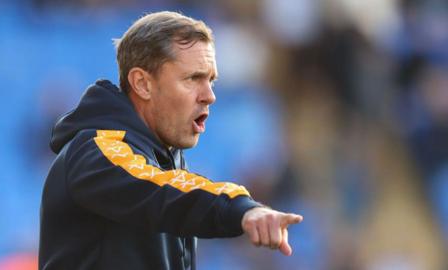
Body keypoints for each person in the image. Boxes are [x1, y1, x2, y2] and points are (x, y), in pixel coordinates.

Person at [39, 11, 303, 270]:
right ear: (142, 84)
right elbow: (161, 190)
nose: (210, 95)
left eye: (211, 80)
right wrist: (239, 208)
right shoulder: (96, 152)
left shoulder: (166, 162)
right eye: (193, 78)